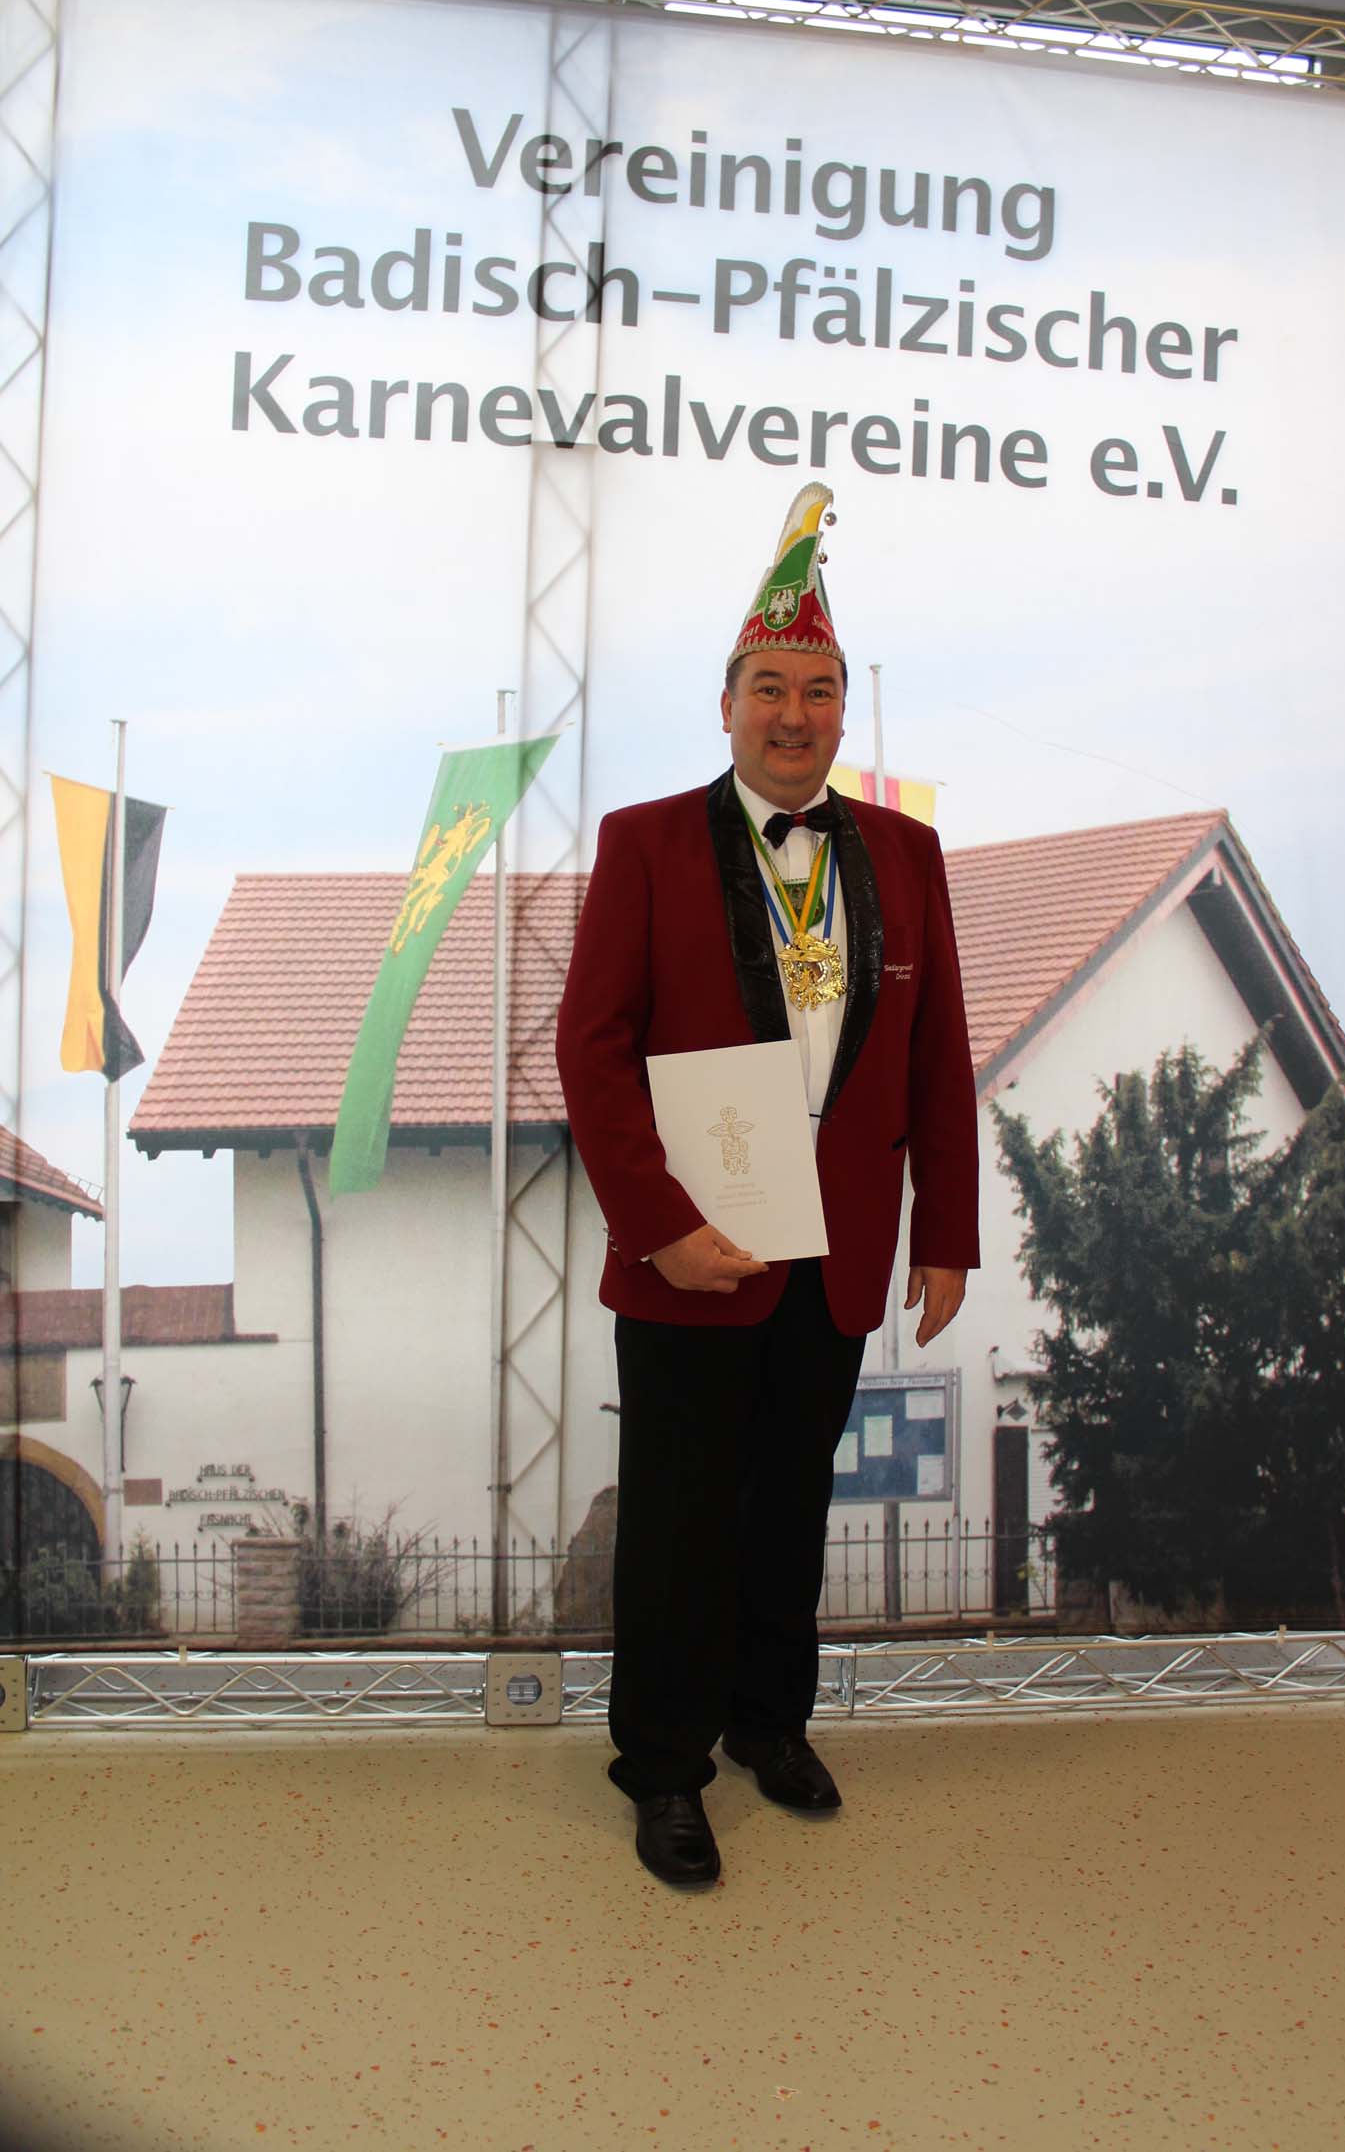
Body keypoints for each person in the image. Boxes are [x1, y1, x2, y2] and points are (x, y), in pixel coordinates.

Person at [555, 482, 980, 1887]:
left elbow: (936, 1056)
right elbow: (591, 1048)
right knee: (680, 1517)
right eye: (770, 689)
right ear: (726, 705)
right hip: (695, 1244)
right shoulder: (644, 843)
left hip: (839, 1244)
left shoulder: (908, 855)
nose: (794, 715)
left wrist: (945, 1236)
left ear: (845, 712)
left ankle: (768, 1722)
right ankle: (664, 1768)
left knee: (791, 1501)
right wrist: (659, 1228)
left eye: (820, 691)